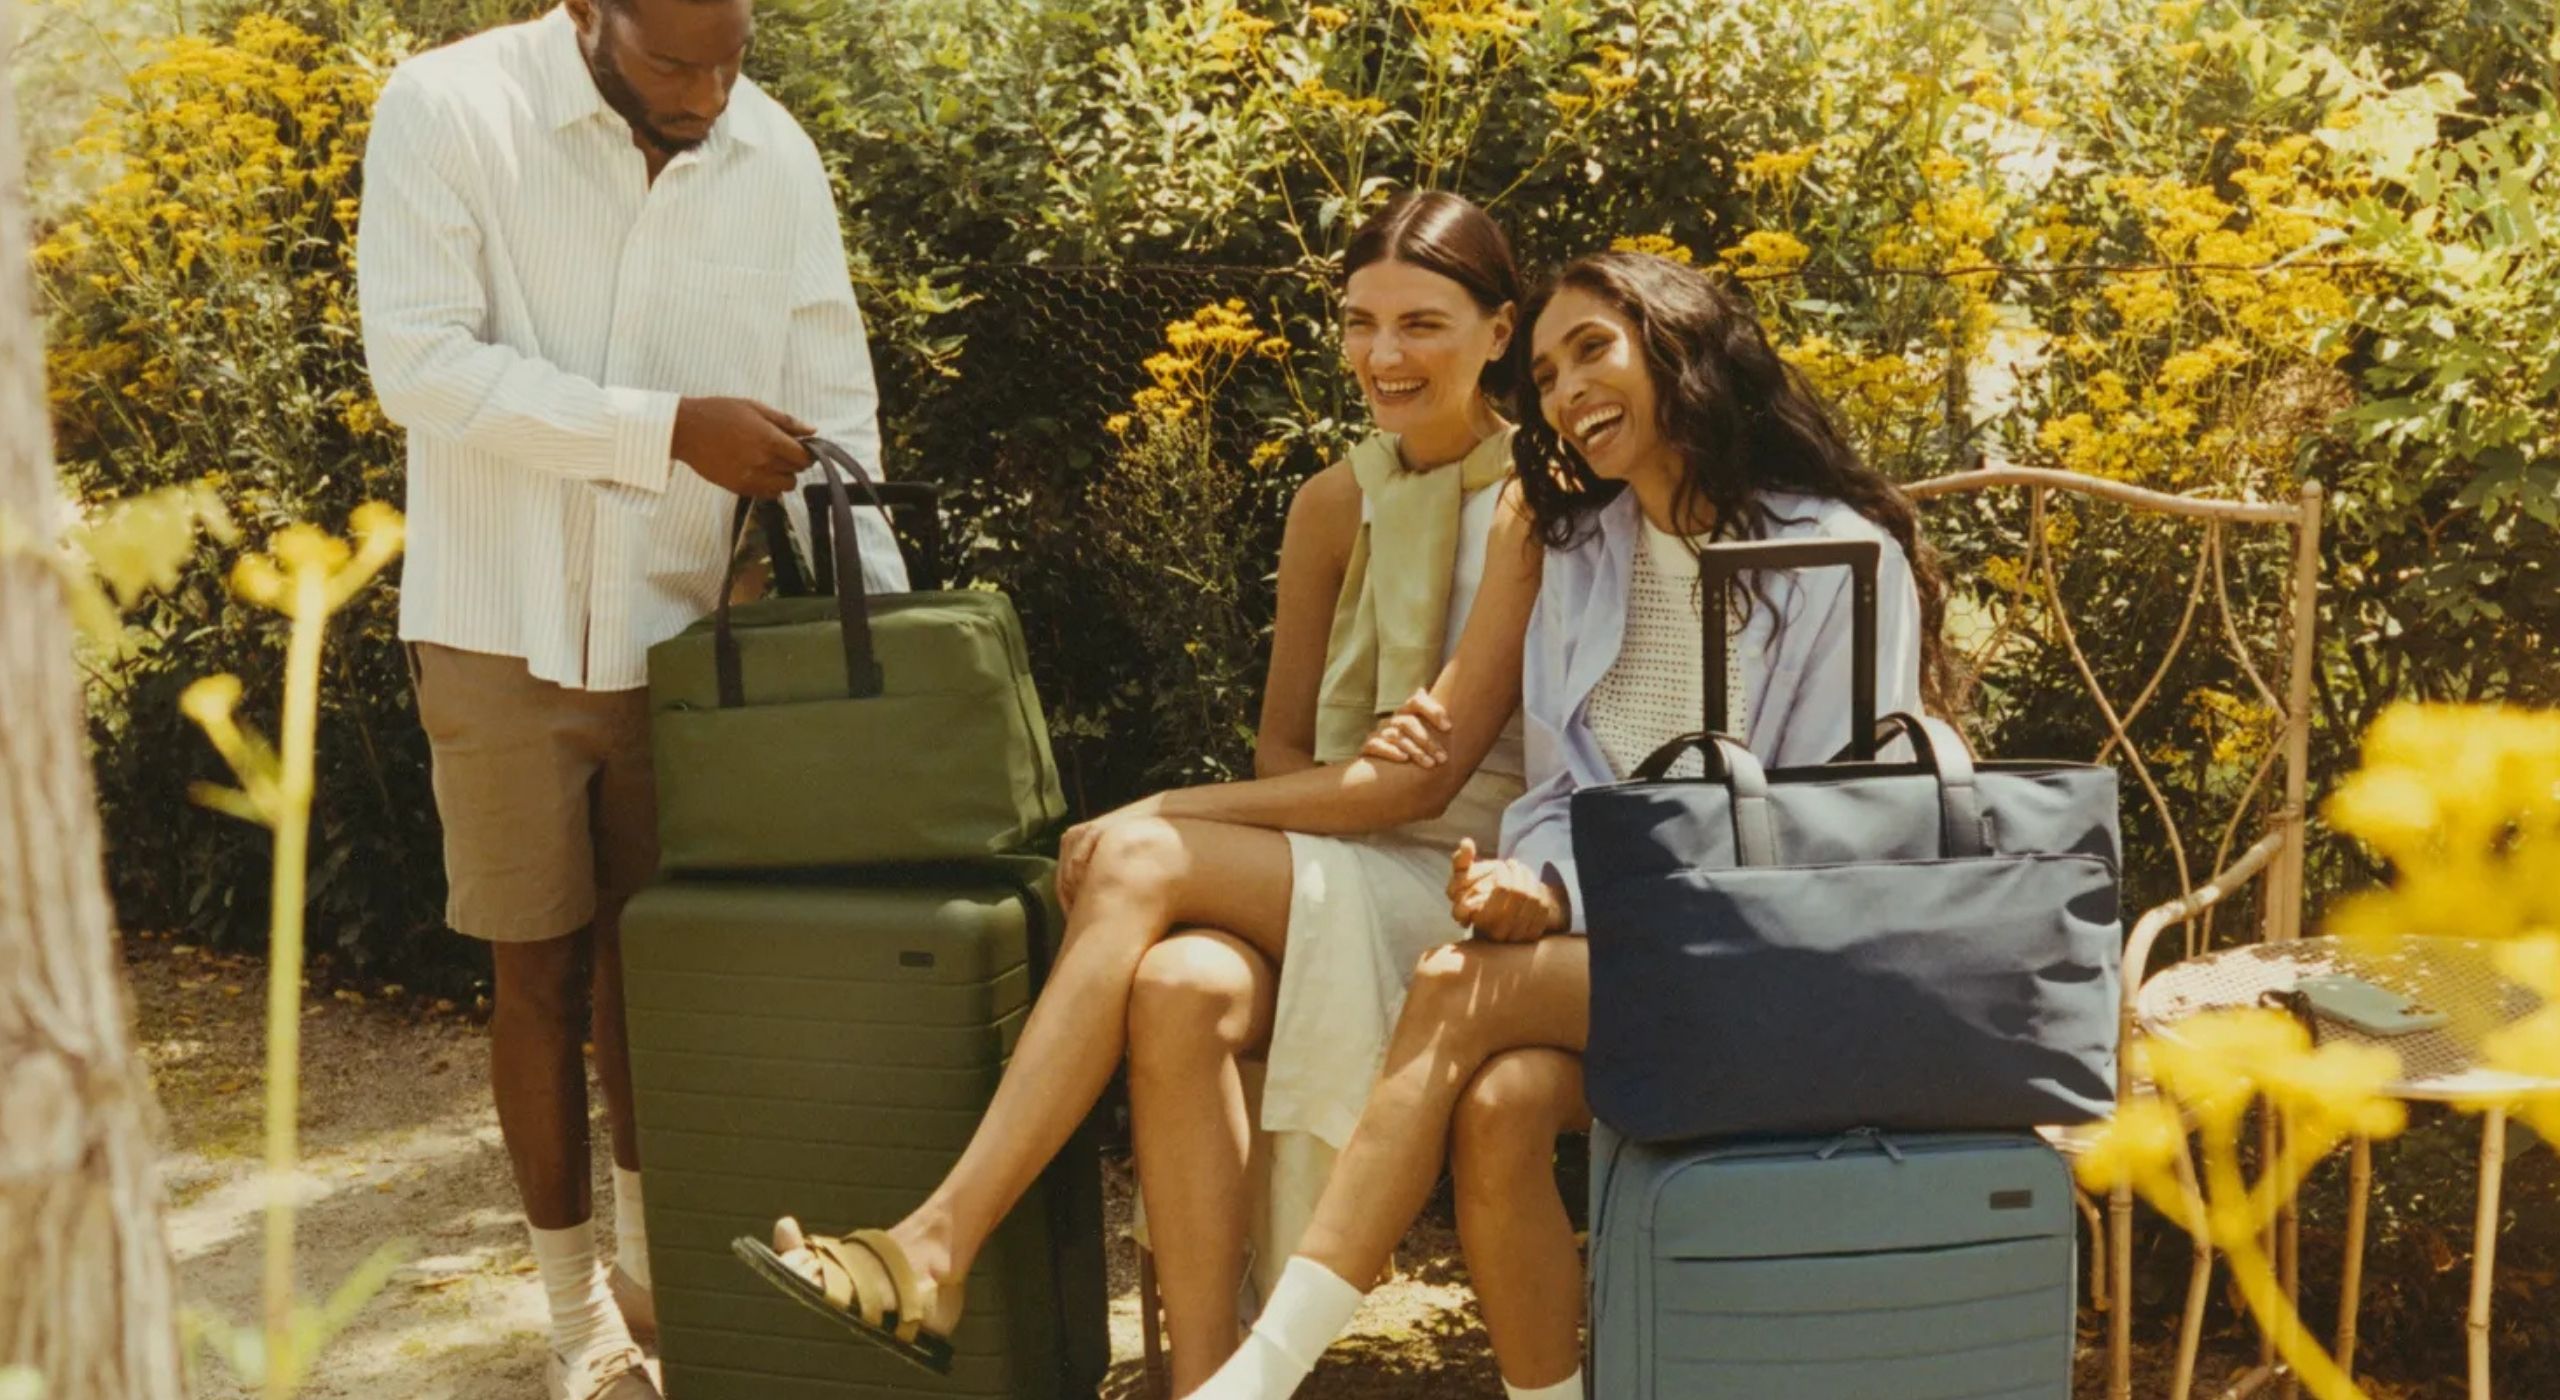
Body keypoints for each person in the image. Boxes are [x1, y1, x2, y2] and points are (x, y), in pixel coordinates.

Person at [734, 191, 1537, 1392]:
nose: (1384, 355)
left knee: (1139, 856)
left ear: (1499, 331)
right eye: (1360, 322)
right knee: (1176, 983)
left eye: (1423, 323)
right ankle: (1203, 1379)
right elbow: (1281, 750)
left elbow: (1415, 782)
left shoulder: (1535, 502)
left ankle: (933, 1243)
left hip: (1471, 880)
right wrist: (1281, 809)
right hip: (1340, 850)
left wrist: (1170, 812)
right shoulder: (1331, 502)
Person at [1183, 251, 1965, 1400]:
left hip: (1789, 960)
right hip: (1637, 961)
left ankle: (1260, 1370)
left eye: (1592, 348)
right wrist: (1535, 882)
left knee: (1456, 983)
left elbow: (1831, 821)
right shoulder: (1582, 549)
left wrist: (1566, 900)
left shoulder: (1831, 552)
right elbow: (1555, 789)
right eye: (1545, 369)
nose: (1565, 388)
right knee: (1497, 1108)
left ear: (1679, 345)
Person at [356, 0, 906, 1394]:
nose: (714, 92)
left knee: (657, 978)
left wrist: (886, 647)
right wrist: (664, 430)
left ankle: (662, 1287)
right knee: (536, 972)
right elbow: (416, 363)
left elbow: (835, 399)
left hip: (690, 646)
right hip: (499, 626)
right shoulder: (446, 108)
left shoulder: (775, 154)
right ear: (591, 16)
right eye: (678, 62)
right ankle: (576, 1326)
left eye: (735, 55)